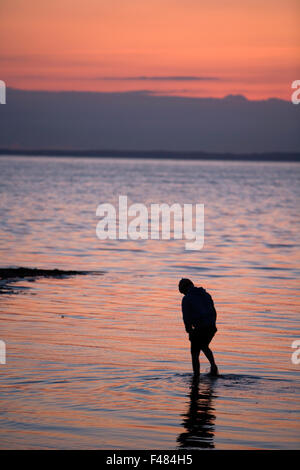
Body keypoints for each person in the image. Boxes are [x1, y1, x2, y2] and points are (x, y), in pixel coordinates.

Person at [179, 278, 218, 376]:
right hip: (211, 327)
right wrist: (212, 325)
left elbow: (186, 317)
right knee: (204, 346)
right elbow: (214, 312)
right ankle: (213, 367)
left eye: (182, 292)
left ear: (184, 289)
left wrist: (189, 330)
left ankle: (196, 375)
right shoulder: (206, 295)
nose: (183, 294)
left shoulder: (187, 299)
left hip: (200, 328)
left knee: (195, 354)